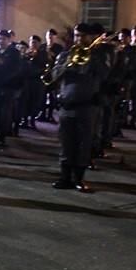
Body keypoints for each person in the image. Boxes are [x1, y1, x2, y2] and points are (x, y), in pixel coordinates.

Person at [51, 23, 110, 192]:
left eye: (83, 36)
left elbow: (105, 73)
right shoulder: (65, 55)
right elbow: (55, 76)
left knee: (83, 144)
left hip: (86, 107)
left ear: (90, 37)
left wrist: (91, 57)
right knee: (65, 143)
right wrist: (67, 63)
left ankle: (79, 178)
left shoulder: (97, 56)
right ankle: (65, 177)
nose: (79, 39)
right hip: (67, 106)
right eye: (77, 35)